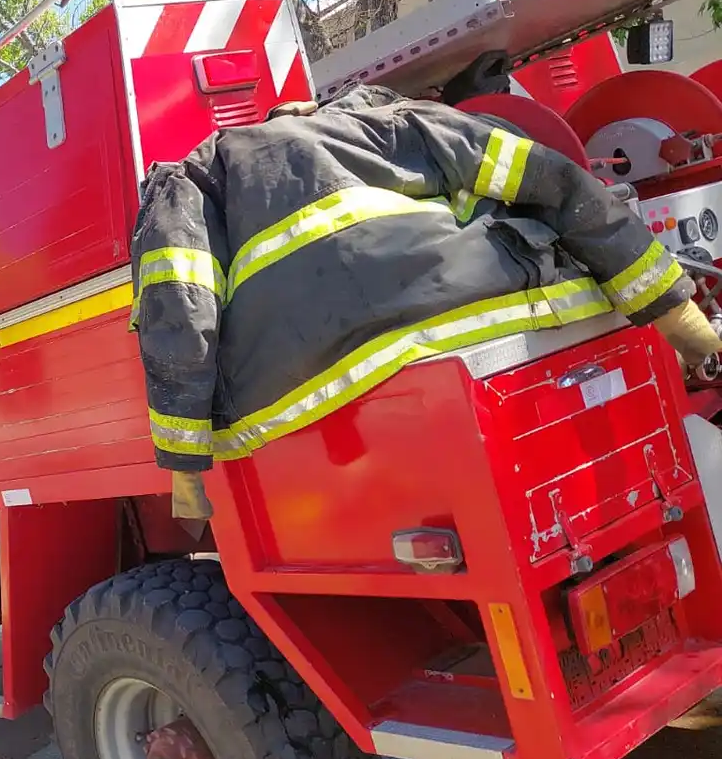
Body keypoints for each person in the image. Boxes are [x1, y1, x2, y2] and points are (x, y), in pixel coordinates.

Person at [130, 83, 722, 519]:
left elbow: (180, 314)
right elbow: (553, 180)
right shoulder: (386, 122)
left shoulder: (190, 181)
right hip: (499, 316)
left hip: (313, 390)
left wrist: (185, 471)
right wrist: (681, 316)